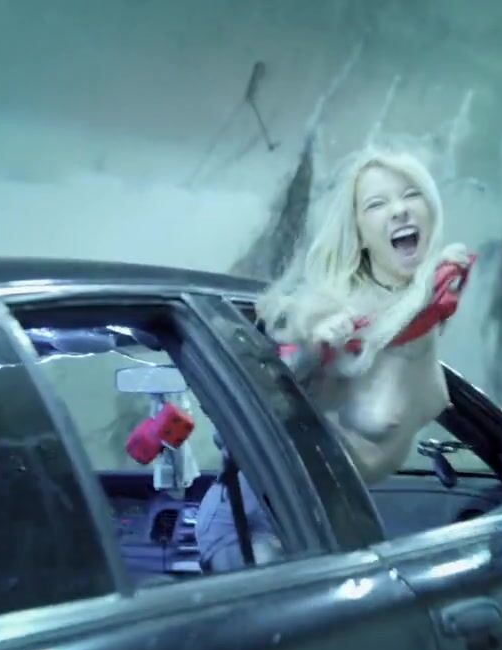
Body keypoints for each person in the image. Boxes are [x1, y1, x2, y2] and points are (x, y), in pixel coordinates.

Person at [196, 145, 473, 571]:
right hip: (256, 522)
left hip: (328, 518)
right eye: (377, 204)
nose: (400, 210)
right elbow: (261, 400)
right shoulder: (333, 314)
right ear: (359, 233)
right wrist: (311, 352)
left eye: (411, 194)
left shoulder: (423, 307)